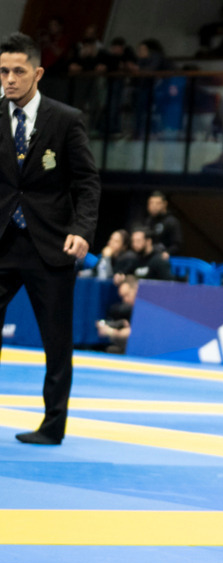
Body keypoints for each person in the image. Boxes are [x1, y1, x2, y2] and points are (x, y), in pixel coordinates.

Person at [0, 32, 100, 446]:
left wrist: (82, 230)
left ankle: (52, 424)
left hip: (51, 246)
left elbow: (87, 182)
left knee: (56, 343)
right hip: (2, 243)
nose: (9, 79)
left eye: (18, 71)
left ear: (37, 73)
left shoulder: (65, 119)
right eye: (3, 71)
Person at [95, 275, 138, 354]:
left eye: (127, 295)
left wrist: (110, 331)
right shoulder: (132, 309)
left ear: (136, 289)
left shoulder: (146, 307)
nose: (125, 300)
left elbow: (135, 333)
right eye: (122, 297)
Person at [144, 191, 182, 257]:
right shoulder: (148, 221)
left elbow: (177, 244)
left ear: (165, 204)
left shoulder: (172, 221)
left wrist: (168, 252)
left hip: (166, 259)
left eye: (157, 203)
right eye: (151, 203)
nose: (154, 206)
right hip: (150, 258)